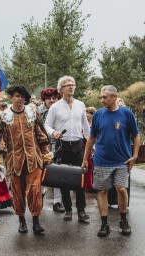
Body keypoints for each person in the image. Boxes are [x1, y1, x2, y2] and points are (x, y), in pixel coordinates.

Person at [0, 85, 50, 234]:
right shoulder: (2, 117)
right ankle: (22, 220)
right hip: (13, 159)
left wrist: (46, 153)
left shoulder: (33, 113)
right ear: (11, 98)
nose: (20, 99)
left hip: (33, 158)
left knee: (35, 189)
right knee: (17, 191)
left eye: (22, 96)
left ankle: (36, 221)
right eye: (17, 96)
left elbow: (41, 134)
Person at [81, 85, 140, 237]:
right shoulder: (99, 115)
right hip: (101, 161)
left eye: (105, 97)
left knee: (121, 188)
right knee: (102, 191)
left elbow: (136, 135)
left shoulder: (126, 113)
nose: (102, 100)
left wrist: (135, 155)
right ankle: (104, 224)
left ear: (114, 97)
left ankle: (123, 220)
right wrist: (85, 159)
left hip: (122, 161)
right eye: (101, 97)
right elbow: (91, 138)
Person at [44, 75, 90, 223]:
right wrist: (53, 132)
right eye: (68, 85)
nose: (71, 87)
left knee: (80, 178)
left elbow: (86, 127)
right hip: (62, 145)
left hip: (78, 144)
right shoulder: (55, 107)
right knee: (63, 179)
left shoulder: (81, 105)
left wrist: (91, 144)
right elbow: (46, 125)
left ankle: (81, 211)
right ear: (61, 89)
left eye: (73, 84)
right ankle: (68, 210)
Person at [38, 87, 64, 213]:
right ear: (44, 100)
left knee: (58, 172)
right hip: (41, 146)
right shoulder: (38, 111)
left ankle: (57, 202)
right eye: (49, 98)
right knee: (42, 172)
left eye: (54, 98)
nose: (52, 101)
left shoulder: (62, 110)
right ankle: (40, 197)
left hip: (58, 145)